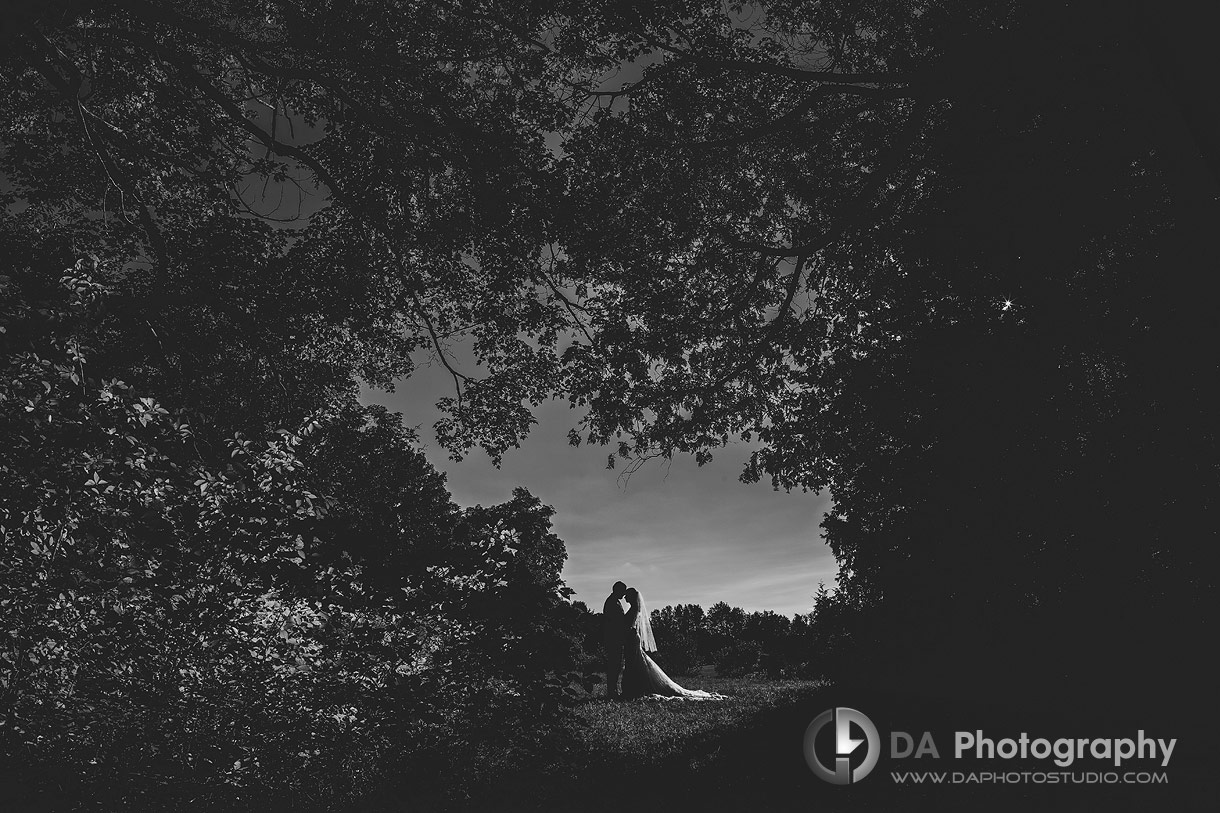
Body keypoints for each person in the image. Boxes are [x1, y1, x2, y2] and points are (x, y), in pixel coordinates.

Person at [621, 587, 724, 700]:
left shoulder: (634, 609)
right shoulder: (635, 608)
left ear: (631, 597)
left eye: (627, 595)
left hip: (632, 638)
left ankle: (634, 689)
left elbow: (628, 626)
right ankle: (634, 688)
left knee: (633, 662)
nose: (625, 597)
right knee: (635, 662)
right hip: (632, 638)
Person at [602, 581, 629, 700]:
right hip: (613, 639)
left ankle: (613, 690)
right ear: (617, 590)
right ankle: (611, 692)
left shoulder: (615, 601)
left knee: (616, 665)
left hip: (616, 638)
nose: (624, 594)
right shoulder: (612, 602)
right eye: (623, 591)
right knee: (614, 665)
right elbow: (616, 622)